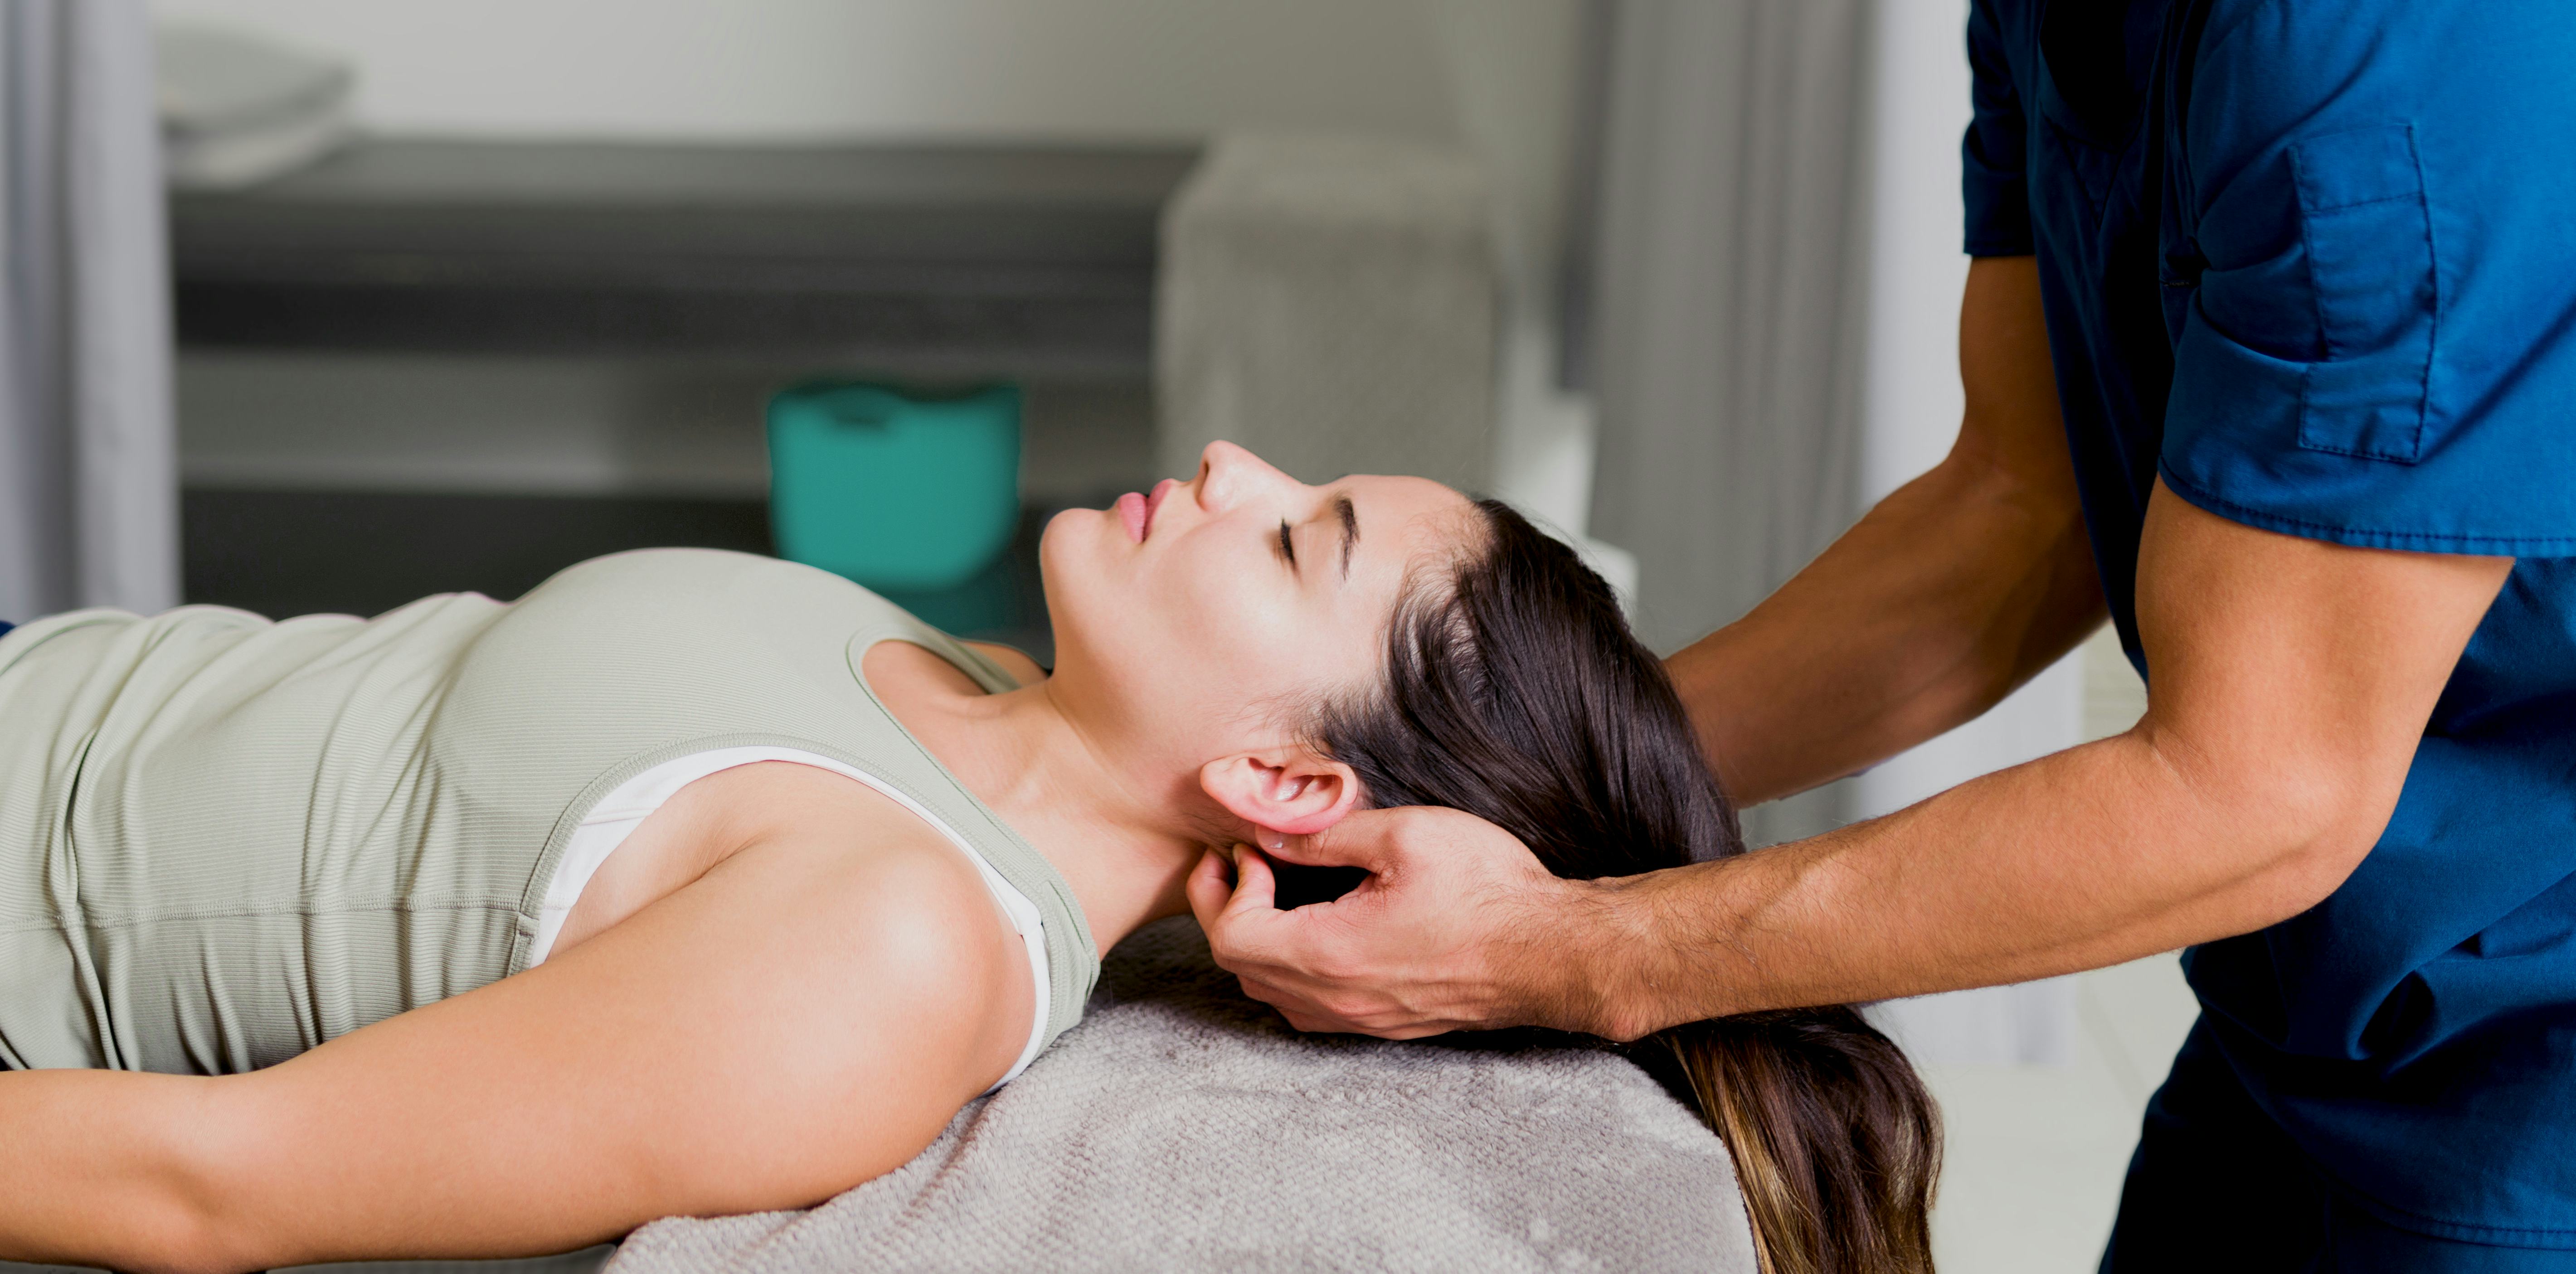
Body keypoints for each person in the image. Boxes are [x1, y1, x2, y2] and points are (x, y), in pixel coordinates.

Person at [1192, 0, 2576, 1272]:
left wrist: (1574, 955)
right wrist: (1505, 778)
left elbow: (2257, 785)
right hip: (2332, 1005)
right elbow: (2010, 516)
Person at [0, 441, 1935, 1274]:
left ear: (1280, 783)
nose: (1235, 471)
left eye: (1293, 544)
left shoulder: (897, 955)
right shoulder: (971, 682)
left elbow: (212, 1189)